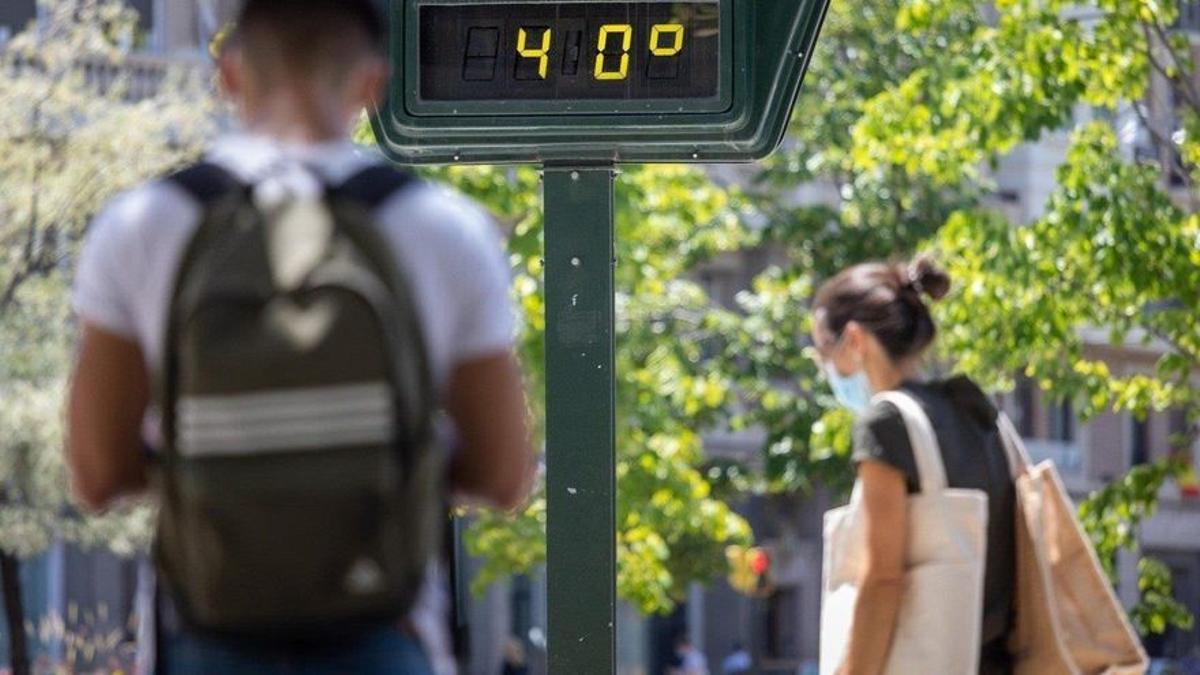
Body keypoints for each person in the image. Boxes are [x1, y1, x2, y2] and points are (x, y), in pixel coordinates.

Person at [65, 0, 534, 672]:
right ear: (372, 83)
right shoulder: (443, 228)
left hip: (206, 631)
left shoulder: (142, 224)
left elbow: (97, 473)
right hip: (384, 633)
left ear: (229, 75)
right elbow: (504, 474)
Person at [811, 256, 1016, 675]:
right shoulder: (975, 411)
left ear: (854, 339)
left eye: (822, 353)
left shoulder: (886, 423)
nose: (825, 370)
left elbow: (883, 579)